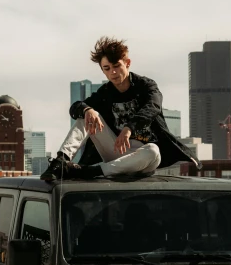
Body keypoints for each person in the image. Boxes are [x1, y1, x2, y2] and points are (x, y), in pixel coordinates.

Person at [42, 36, 201, 180]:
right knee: (88, 114)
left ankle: (92, 171)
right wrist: (87, 109)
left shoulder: (146, 86)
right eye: (107, 68)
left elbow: (153, 106)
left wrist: (129, 128)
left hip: (144, 159)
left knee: (153, 150)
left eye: (117, 66)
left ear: (127, 63)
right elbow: (75, 107)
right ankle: (60, 162)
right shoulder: (105, 93)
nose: (113, 72)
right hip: (116, 153)